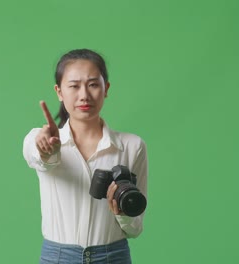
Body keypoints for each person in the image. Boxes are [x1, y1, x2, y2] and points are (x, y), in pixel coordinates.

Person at [23, 49, 148, 264]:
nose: (84, 95)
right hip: (58, 258)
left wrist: (122, 212)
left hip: (113, 257)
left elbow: (135, 228)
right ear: (59, 91)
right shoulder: (38, 138)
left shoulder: (132, 146)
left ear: (106, 88)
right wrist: (48, 150)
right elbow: (41, 158)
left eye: (93, 84)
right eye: (74, 86)